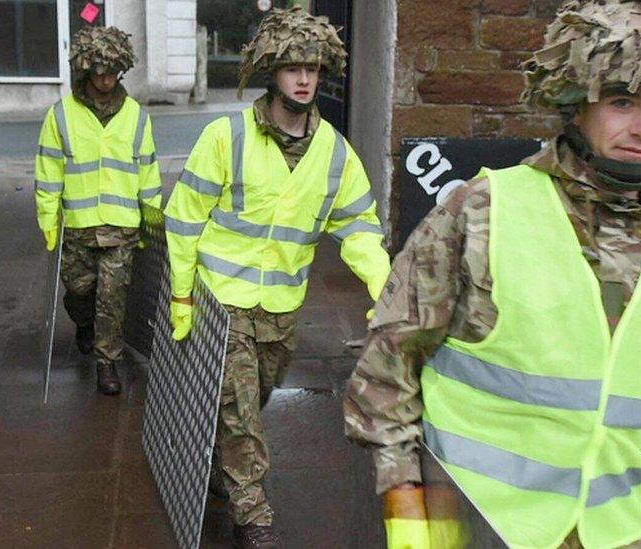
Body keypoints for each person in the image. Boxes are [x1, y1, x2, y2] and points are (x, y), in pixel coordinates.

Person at [343, 1, 641, 547]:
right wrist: (404, 512)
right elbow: (388, 368)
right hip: (478, 525)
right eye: (621, 101)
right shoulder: (483, 211)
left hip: (610, 534)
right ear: (576, 105)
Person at [164, 7, 391, 548]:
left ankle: (226, 468)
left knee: (253, 397)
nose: (305, 79)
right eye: (293, 68)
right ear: (272, 71)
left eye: (313, 68)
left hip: (282, 308)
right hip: (222, 301)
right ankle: (253, 514)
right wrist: (180, 293)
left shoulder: (336, 153)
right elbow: (183, 218)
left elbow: (360, 228)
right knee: (240, 411)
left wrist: (387, 289)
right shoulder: (226, 137)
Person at [34, 25, 161, 395]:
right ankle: (84, 324)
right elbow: (47, 173)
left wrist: (151, 225)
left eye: (112, 72)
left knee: (113, 296)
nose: (105, 79)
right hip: (77, 225)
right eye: (98, 71)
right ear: (86, 69)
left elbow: (148, 171)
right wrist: (48, 221)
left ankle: (108, 364)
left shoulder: (136, 115)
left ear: (121, 70)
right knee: (80, 291)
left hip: (122, 226)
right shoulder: (61, 116)